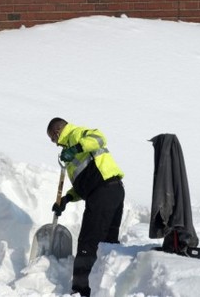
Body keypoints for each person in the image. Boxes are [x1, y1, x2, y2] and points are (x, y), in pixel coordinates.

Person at [47, 117, 125, 297]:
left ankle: (80, 291)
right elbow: (84, 185)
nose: (54, 144)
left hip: (103, 191)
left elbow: (99, 139)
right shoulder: (69, 154)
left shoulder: (77, 134)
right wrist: (67, 198)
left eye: (53, 139)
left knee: (87, 243)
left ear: (58, 132)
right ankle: (106, 288)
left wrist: (75, 148)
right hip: (111, 191)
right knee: (107, 243)